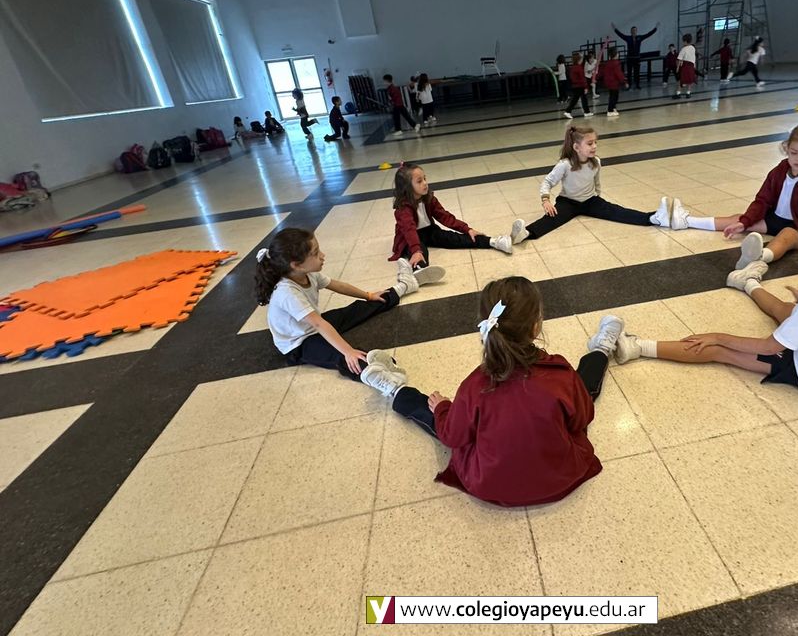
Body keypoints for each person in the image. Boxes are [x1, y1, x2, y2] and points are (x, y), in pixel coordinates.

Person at [354, 277, 627, 506]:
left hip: (490, 484)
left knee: (440, 415)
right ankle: (602, 348)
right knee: (580, 390)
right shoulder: (560, 373)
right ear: (536, 327)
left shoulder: (474, 387)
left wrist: (444, 408)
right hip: (560, 477)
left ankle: (395, 388)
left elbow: (452, 436)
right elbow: (582, 419)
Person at [614, 208, 798, 400]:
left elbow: (769, 347)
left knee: (717, 350)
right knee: (790, 312)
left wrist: (717, 336)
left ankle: (638, 347)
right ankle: (748, 282)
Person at [670, 121, 798, 289]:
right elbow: (762, 199)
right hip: (774, 219)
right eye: (794, 152)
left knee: (787, 236)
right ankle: (687, 221)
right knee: (738, 219)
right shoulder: (779, 171)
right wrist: (745, 222)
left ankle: (759, 258)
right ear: (786, 148)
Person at [255, 227, 440, 380]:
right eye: (316, 253)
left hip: (310, 325)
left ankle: (404, 286)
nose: (322, 255)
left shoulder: (307, 273)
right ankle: (378, 374)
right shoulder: (286, 292)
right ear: (296, 264)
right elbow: (319, 324)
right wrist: (349, 351)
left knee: (357, 309)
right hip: (298, 343)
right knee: (342, 356)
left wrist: (368, 295)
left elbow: (337, 285)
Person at [517, 124, 687, 242]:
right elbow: (547, 182)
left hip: (590, 201)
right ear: (576, 147)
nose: (594, 146)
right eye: (590, 143)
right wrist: (546, 200)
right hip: (568, 202)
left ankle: (654, 217)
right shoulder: (565, 164)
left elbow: (596, 182)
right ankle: (523, 234)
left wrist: (597, 198)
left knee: (618, 212)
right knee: (551, 220)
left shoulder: (596, 162)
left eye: (595, 142)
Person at [389, 163, 525, 266]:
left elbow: (445, 217)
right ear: (407, 187)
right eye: (419, 181)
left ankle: (493, 242)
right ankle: (418, 271)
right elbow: (409, 230)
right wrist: (416, 250)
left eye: (425, 178)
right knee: (419, 253)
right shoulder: (403, 209)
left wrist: (467, 229)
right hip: (408, 238)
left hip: (429, 231)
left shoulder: (429, 199)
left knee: (453, 238)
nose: (425, 183)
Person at [612, 21, 659, 89]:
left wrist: (655, 28)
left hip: (637, 58)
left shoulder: (639, 37)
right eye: (633, 30)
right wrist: (615, 28)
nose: (634, 31)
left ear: (636, 31)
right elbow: (620, 35)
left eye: (635, 30)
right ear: (631, 31)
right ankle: (629, 85)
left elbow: (648, 34)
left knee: (637, 73)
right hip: (630, 58)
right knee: (629, 73)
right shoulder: (628, 38)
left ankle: (637, 85)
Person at [562, 52, 593, 120]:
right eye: (581, 58)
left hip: (575, 85)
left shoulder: (572, 67)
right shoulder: (579, 68)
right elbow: (582, 78)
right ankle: (568, 111)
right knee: (576, 100)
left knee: (582, 99)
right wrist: (586, 87)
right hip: (580, 86)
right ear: (579, 60)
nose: (582, 60)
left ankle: (587, 112)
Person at [603, 46, 626, 118]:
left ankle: (613, 108)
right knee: (614, 97)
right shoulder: (616, 63)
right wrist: (624, 81)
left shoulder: (608, 63)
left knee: (612, 96)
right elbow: (618, 73)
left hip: (609, 82)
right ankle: (610, 110)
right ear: (616, 54)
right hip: (614, 83)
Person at [673, 34, 697, 99]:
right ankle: (688, 93)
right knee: (690, 80)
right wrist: (694, 65)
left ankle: (678, 93)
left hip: (685, 66)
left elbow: (679, 59)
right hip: (691, 65)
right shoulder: (693, 48)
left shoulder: (683, 49)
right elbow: (693, 57)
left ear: (685, 41)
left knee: (681, 80)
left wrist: (677, 67)